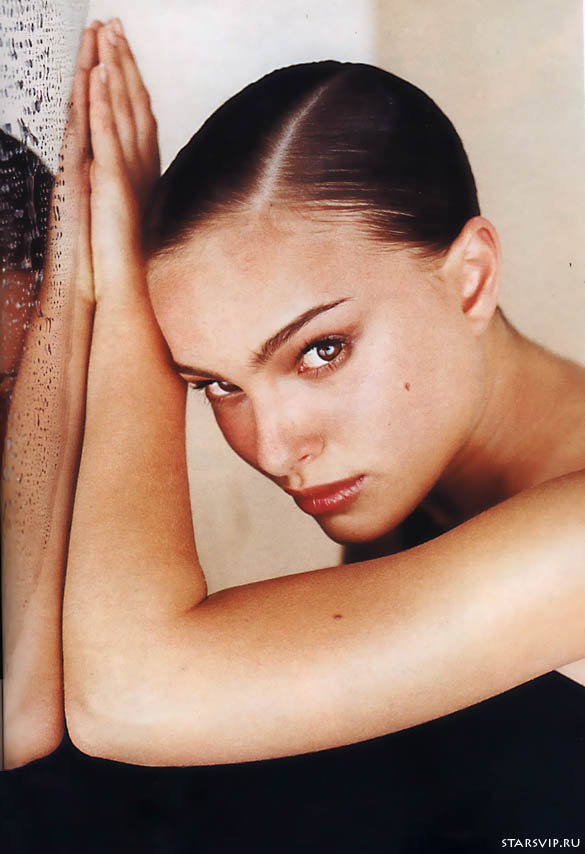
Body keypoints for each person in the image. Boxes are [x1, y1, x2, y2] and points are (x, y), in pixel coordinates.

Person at [4, 18, 585, 847]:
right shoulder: (415, 480)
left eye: (321, 350)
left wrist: (118, 289)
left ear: (471, 279)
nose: (274, 450)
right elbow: (26, 707)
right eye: (214, 384)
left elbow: (127, 697)